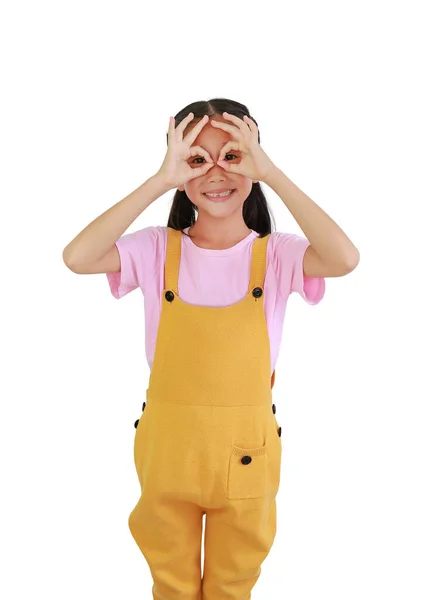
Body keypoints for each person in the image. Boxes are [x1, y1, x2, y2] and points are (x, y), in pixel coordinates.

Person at [63, 97, 359, 600]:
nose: (215, 173)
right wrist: (159, 180)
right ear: (178, 169)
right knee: (171, 585)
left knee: (232, 586)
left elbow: (344, 257)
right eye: (196, 159)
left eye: (234, 156)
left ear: (255, 161)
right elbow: (78, 256)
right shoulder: (157, 249)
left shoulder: (278, 255)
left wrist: (273, 172)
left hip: (246, 452)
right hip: (169, 452)